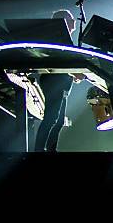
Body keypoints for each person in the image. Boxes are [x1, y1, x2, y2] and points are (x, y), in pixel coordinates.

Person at [34, 9, 85, 152]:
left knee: (59, 120)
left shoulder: (62, 39)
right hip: (53, 82)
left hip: (60, 82)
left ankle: (50, 149)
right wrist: (75, 72)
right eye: (70, 18)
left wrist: (74, 74)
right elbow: (59, 60)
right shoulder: (56, 39)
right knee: (51, 118)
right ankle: (39, 149)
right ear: (62, 22)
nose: (74, 21)